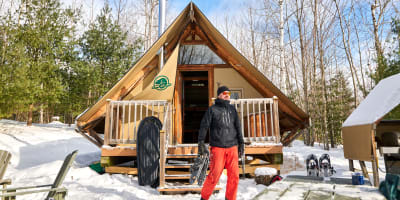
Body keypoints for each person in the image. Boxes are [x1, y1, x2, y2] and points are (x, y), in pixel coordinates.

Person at [198, 86, 244, 200]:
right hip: (218, 147)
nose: (227, 94)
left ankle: (230, 198)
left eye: (228, 93)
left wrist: (241, 143)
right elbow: (204, 126)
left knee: (234, 176)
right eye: (224, 93)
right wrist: (201, 142)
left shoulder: (232, 109)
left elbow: (238, 126)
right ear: (219, 95)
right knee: (214, 175)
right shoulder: (212, 109)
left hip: (232, 147)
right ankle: (204, 197)